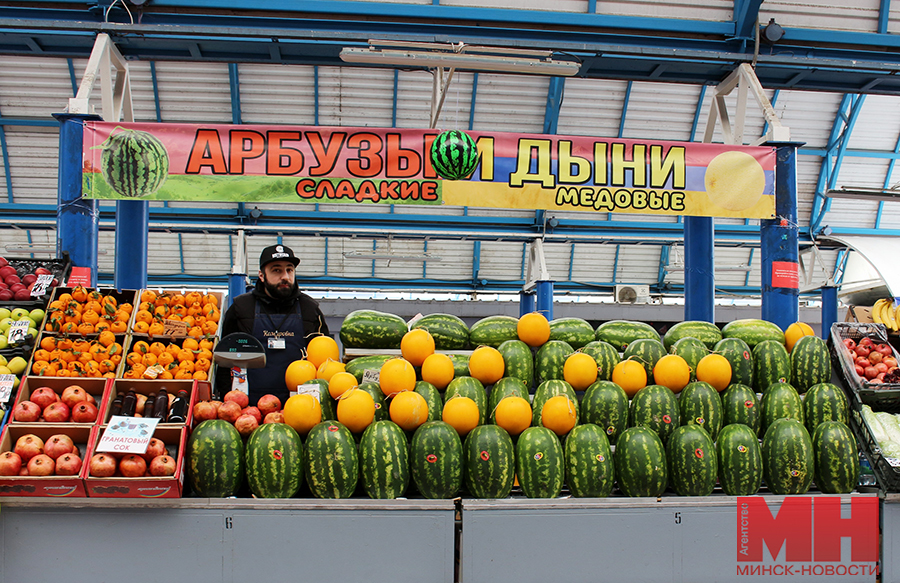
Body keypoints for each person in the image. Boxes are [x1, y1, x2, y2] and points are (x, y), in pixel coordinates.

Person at [216, 244, 329, 406]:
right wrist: (229, 403)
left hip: (299, 407)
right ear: (261, 275)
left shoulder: (309, 309)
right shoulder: (241, 308)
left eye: (289, 270)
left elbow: (324, 362)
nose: (285, 276)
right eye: (277, 270)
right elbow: (224, 362)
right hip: (249, 409)